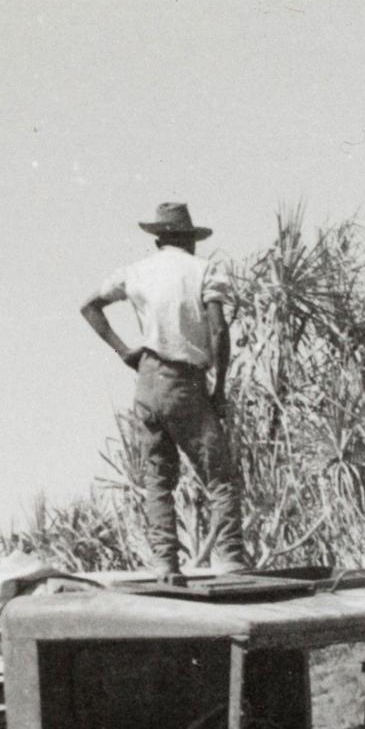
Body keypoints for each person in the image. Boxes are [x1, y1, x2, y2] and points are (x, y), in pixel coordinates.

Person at [81, 202, 244, 582]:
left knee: (157, 479)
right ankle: (233, 561)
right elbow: (219, 332)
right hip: (184, 380)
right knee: (219, 474)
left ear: (159, 238)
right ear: (188, 239)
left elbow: (89, 306)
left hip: (147, 380)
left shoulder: (136, 272)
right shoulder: (204, 271)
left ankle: (166, 566)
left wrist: (124, 352)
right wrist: (218, 389)